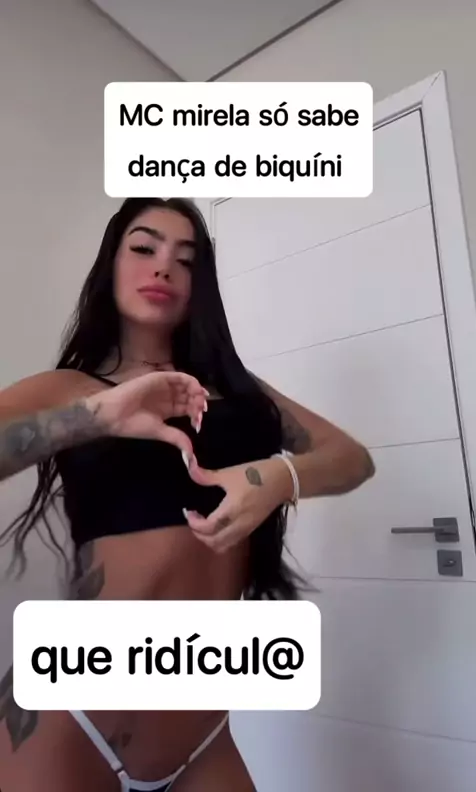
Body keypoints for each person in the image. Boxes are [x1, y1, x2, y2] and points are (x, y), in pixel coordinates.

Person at [0, 197, 375, 792]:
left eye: (186, 259)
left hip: (202, 736)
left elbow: (352, 459)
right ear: (110, 263)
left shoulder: (239, 393)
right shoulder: (71, 388)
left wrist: (277, 478)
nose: (164, 267)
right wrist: (98, 415)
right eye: (144, 247)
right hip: (71, 723)